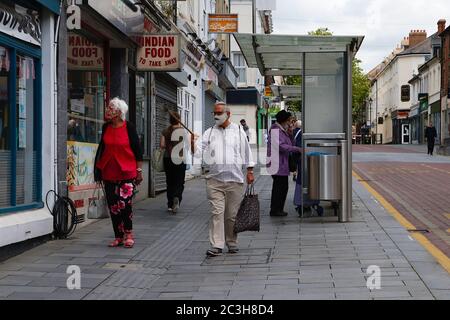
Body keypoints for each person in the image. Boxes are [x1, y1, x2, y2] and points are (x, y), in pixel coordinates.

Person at [192, 101, 255, 257]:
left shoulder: (239, 131)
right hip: (214, 181)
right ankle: (216, 245)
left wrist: (250, 171)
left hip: (235, 180)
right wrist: (192, 141)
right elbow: (198, 153)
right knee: (216, 212)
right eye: (214, 113)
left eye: (219, 113)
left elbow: (247, 152)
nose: (216, 116)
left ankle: (231, 242)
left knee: (231, 215)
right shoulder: (209, 132)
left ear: (228, 114)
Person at [94, 97, 143, 248]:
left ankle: (129, 234)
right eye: (108, 107)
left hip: (127, 172)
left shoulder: (129, 127)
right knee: (113, 206)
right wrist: (98, 170)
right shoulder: (106, 127)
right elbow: (102, 149)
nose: (108, 110)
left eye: (111, 108)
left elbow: (137, 151)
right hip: (109, 172)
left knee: (125, 204)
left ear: (119, 112)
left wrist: (139, 170)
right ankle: (118, 236)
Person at [267, 110, 302, 217]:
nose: (290, 123)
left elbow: (290, 143)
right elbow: (281, 146)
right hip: (276, 163)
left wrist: (291, 134)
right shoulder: (275, 130)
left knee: (282, 187)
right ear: (284, 120)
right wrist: (297, 149)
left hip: (281, 163)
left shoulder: (282, 130)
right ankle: (275, 210)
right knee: (279, 187)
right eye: (289, 121)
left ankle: (278, 209)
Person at [160, 112, 187, 214]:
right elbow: (188, 144)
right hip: (180, 159)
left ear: (170, 120)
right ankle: (177, 197)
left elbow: (162, 145)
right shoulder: (182, 131)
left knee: (170, 182)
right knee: (179, 181)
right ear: (179, 119)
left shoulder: (165, 131)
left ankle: (170, 205)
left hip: (168, 159)